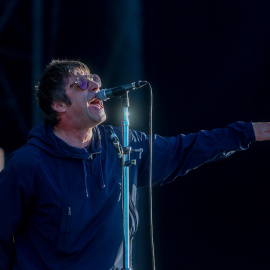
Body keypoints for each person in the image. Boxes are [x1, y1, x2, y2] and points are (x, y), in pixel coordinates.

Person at [0, 59, 269, 270]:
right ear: (59, 105)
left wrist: (247, 132)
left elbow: (184, 149)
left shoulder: (122, 143)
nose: (94, 85)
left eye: (94, 78)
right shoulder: (28, 164)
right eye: (80, 84)